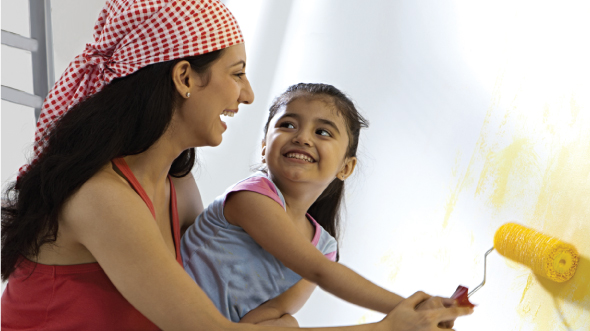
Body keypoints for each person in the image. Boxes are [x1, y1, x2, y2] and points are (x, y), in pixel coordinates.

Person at [1, 0, 472, 330]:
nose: (247, 95)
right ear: (185, 77)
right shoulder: (103, 198)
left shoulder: (176, 186)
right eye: (237, 73)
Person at [181, 83, 468, 327]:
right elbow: (321, 272)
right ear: (264, 147)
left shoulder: (325, 248)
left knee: (287, 322)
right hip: (167, 312)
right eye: (287, 125)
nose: (302, 137)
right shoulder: (251, 197)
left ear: (346, 167)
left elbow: (266, 314)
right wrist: (411, 308)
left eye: (323, 132)